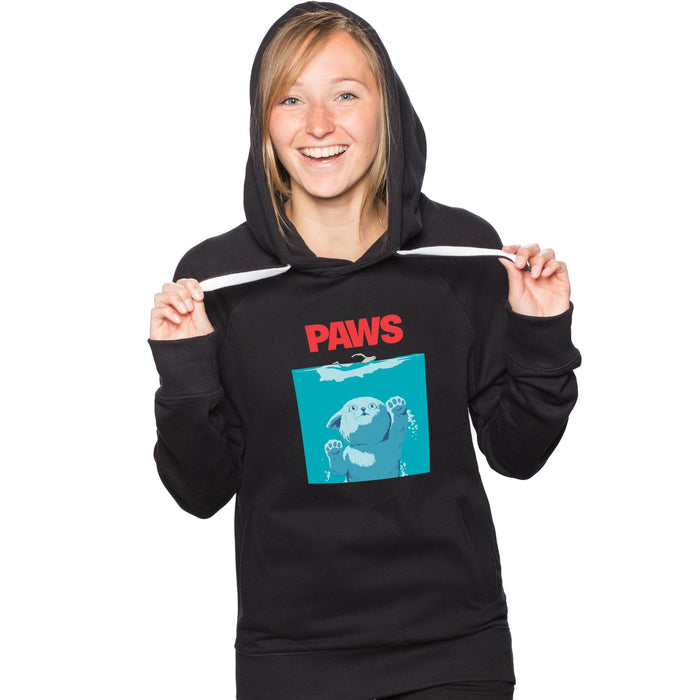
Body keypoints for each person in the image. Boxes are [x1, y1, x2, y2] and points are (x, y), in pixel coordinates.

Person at [147, 3, 581, 699]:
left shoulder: (461, 255)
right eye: (291, 99)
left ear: (389, 110)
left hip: (453, 650)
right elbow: (200, 492)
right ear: (264, 122)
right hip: (290, 658)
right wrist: (186, 376)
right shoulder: (219, 281)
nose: (318, 125)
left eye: (345, 95)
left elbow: (518, 454)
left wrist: (540, 333)